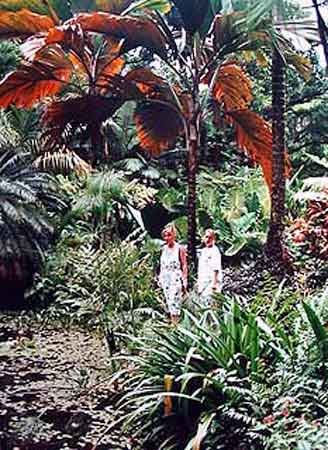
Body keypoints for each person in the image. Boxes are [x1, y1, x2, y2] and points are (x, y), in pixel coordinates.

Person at [158, 224, 188, 324]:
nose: (167, 238)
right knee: (169, 302)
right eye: (165, 235)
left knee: (175, 301)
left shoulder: (180, 248)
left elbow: (184, 265)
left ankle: (176, 324)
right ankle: (173, 323)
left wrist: (184, 280)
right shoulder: (163, 249)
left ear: (174, 235)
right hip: (165, 278)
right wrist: (160, 278)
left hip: (175, 278)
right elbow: (161, 265)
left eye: (169, 235)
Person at [197, 229, 223, 307]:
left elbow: (216, 268)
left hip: (211, 283)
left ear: (214, 239)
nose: (208, 240)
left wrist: (214, 284)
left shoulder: (215, 251)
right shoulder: (204, 251)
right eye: (206, 237)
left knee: (212, 305)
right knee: (203, 304)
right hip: (203, 282)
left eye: (210, 237)